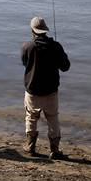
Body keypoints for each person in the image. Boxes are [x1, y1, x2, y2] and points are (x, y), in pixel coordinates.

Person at [21, 16, 70, 159]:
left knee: (31, 117)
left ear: (32, 31)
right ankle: (54, 151)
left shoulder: (27, 47)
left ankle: (30, 148)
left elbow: (25, 64)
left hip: (32, 91)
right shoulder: (56, 47)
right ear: (45, 30)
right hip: (51, 92)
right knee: (53, 118)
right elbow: (66, 67)